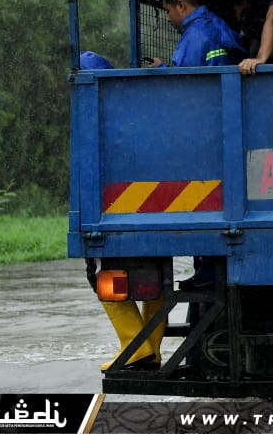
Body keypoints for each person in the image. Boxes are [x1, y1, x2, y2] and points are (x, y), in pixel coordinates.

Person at [78, 51, 167, 371]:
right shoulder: (137, 108)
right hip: (161, 209)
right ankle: (151, 349)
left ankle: (136, 346)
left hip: (115, 212)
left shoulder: (92, 113)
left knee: (99, 271)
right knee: (159, 274)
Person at [149, 0, 246, 67]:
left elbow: (187, 82)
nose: (168, 19)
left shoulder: (196, 35)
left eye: (168, 11)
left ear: (181, 5)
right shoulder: (214, 23)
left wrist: (161, 69)